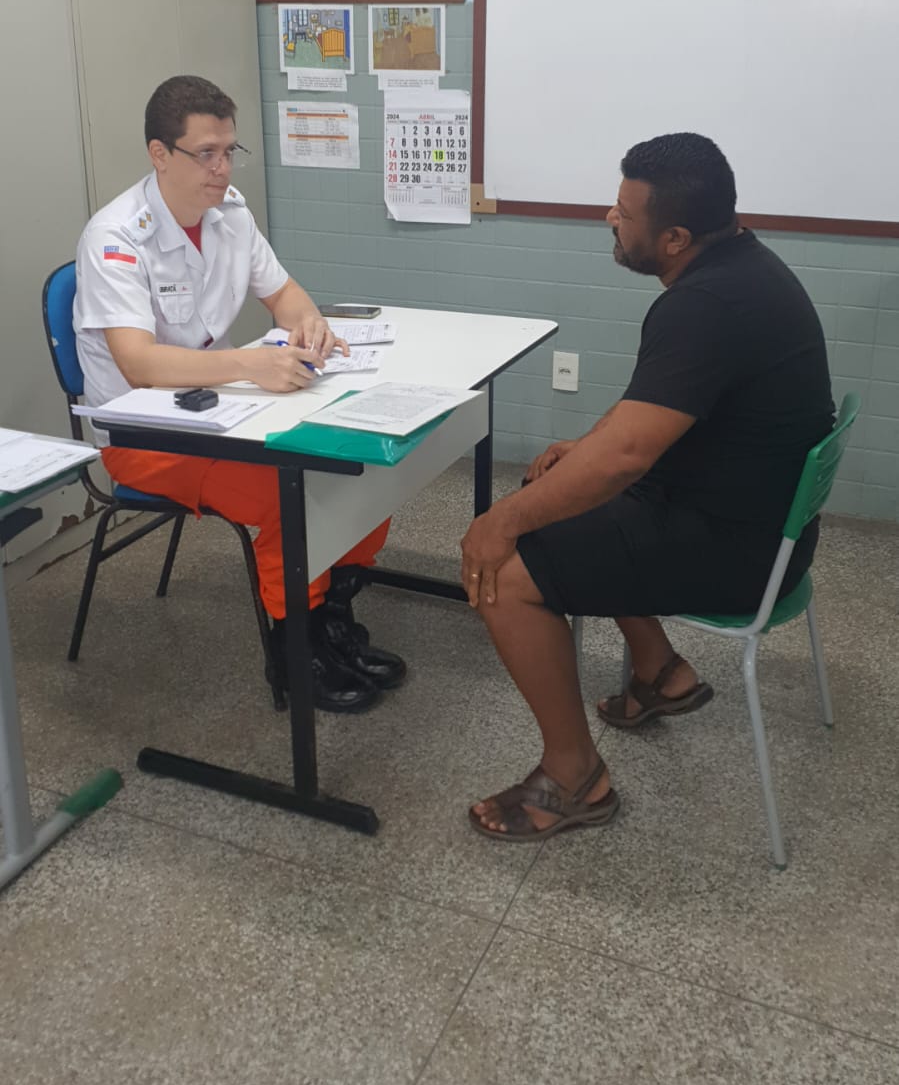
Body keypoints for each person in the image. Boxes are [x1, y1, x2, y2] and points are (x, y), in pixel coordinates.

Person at [461, 133, 834, 843]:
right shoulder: (745, 267)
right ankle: (660, 673)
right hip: (763, 525)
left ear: (674, 238)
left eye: (624, 212)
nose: (610, 217)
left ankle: (574, 778)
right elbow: (649, 413)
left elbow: (628, 456)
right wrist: (586, 452)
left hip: (739, 554)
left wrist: (499, 522)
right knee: (566, 482)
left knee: (503, 572)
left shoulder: (704, 305)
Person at [74, 75, 405, 715]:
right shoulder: (115, 237)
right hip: (145, 435)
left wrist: (308, 323)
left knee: (359, 461)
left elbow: (285, 294)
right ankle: (296, 651)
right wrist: (252, 365)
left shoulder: (229, 213)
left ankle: (333, 620)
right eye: (206, 153)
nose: (221, 169)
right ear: (159, 154)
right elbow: (138, 365)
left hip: (223, 407)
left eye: (229, 151)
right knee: (292, 491)